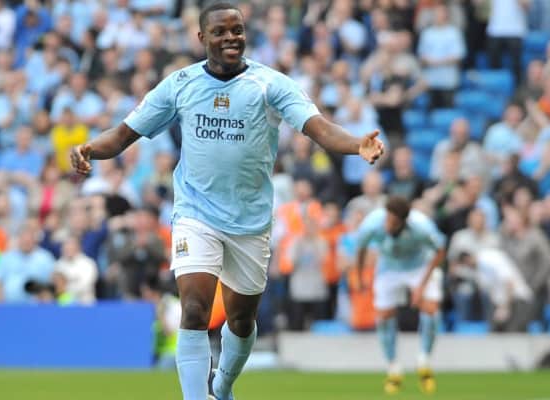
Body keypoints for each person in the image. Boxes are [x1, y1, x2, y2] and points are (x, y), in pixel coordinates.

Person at [70, 3, 384, 399]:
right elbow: (123, 135)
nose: (231, 38)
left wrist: (356, 144)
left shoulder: (270, 84)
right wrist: (90, 150)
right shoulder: (180, 84)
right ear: (202, 38)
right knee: (194, 308)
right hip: (195, 213)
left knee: (241, 320)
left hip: (250, 221)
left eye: (237, 30)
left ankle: (223, 385)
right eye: (220, 32)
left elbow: (319, 129)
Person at [356, 196, 445, 395]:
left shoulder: (421, 227)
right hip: (388, 267)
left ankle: (424, 360)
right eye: (387, 219)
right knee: (383, 316)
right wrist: (360, 277)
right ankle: (393, 368)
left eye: (393, 222)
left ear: (404, 221)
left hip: (419, 266)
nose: (388, 225)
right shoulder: (372, 224)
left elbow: (440, 251)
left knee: (431, 310)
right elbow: (361, 248)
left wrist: (421, 287)